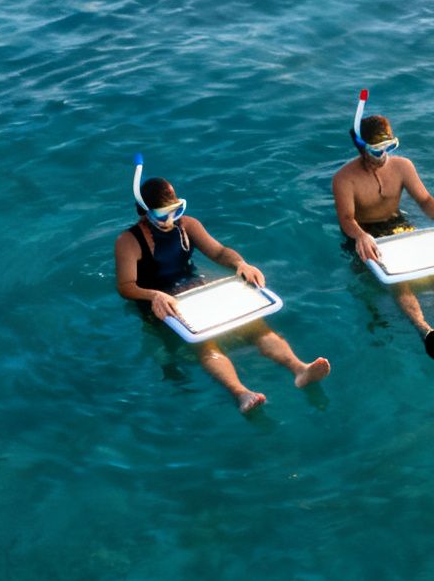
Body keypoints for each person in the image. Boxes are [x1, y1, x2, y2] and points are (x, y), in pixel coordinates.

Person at [115, 165, 329, 414]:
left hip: (193, 288)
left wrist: (240, 263)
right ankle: (241, 393)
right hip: (160, 303)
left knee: (256, 328)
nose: (171, 220)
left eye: (176, 211)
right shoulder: (128, 242)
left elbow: (218, 251)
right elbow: (126, 286)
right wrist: (153, 294)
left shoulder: (187, 226)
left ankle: (300, 369)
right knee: (206, 345)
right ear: (145, 213)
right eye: (163, 215)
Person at [331, 93, 434, 360]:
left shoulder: (402, 166)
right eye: (376, 151)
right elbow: (347, 219)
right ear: (361, 147)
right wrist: (361, 236)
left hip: (398, 226)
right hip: (365, 236)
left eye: (389, 148)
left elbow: (425, 199)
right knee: (400, 283)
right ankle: (425, 331)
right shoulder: (344, 178)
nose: (383, 157)